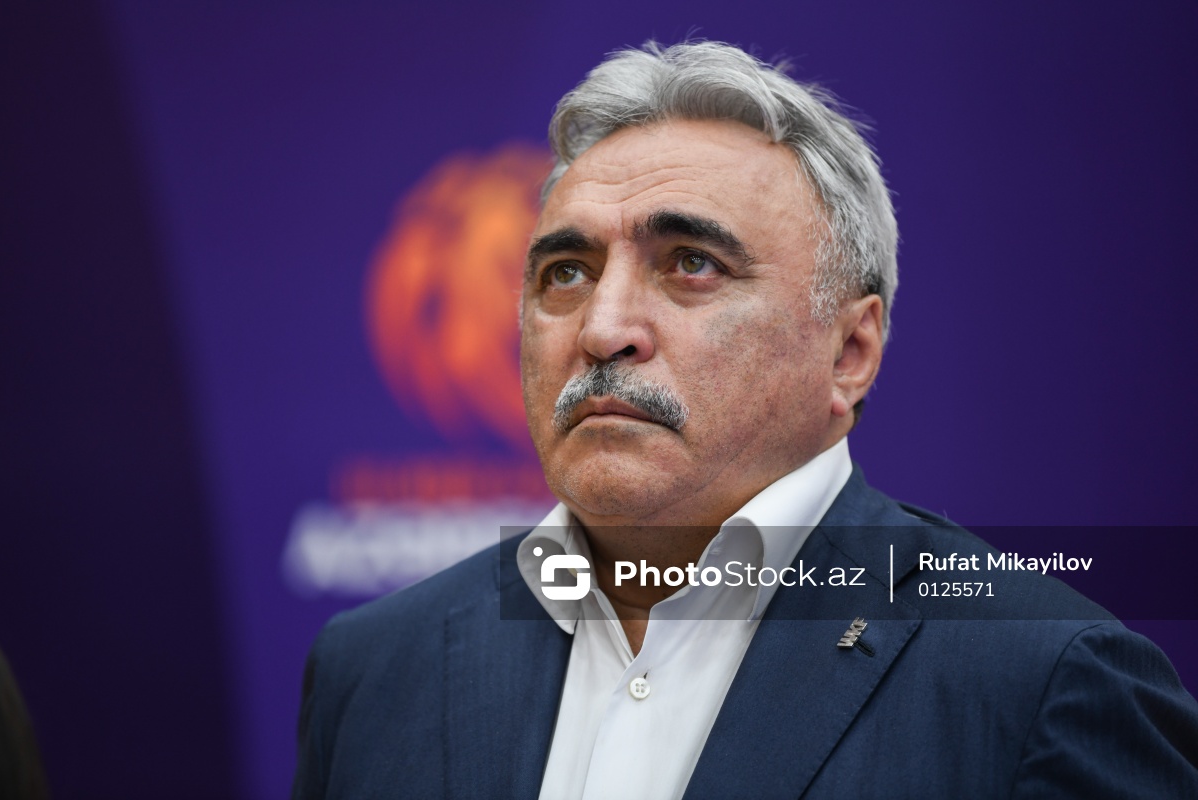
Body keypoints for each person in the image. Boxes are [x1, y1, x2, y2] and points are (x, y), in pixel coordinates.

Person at [292, 41, 1198, 798]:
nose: (603, 328)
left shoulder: (1044, 681)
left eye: (691, 263)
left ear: (850, 352)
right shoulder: (372, 670)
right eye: (565, 273)